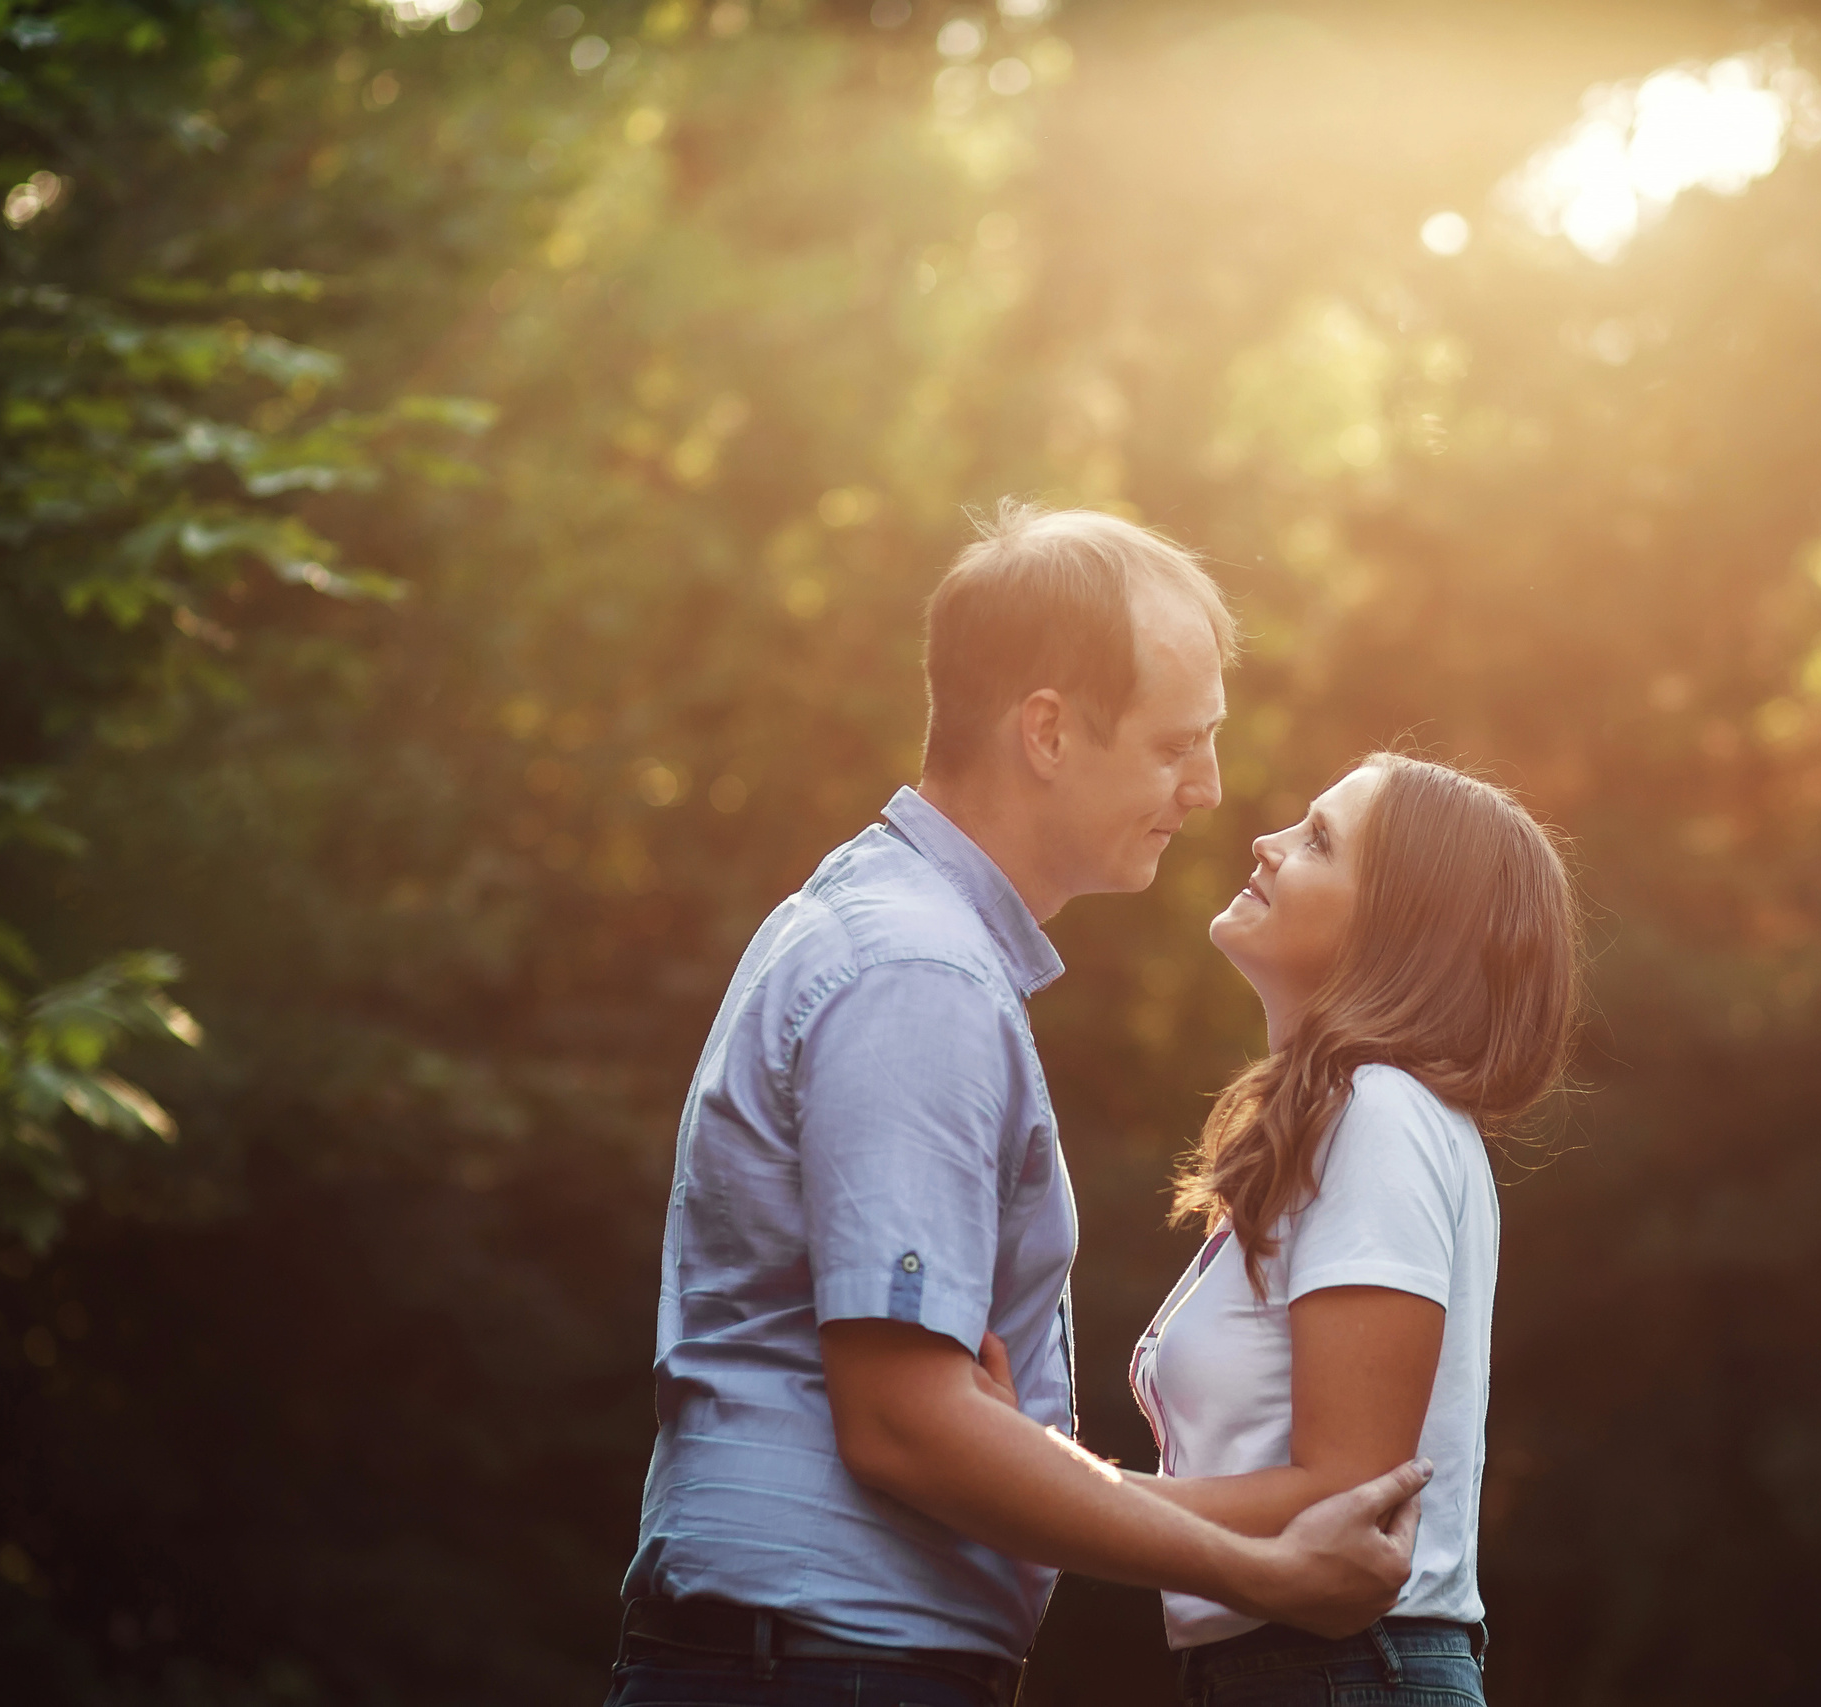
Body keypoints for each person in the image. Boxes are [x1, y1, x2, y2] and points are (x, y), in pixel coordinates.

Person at [609, 505, 1434, 1707]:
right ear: (1045, 731)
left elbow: (928, 1413)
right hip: (827, 1667)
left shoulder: (903, 940)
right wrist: (1261, 1571)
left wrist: (1012, 1443)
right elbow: (902, 1423)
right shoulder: (917, 973)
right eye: (1174, 745)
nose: (1207, 790)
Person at [1127, 754, 1584, 1706]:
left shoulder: (1382, 1112)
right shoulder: (1353, 1118)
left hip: (1341, 1670)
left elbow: (1342, 1492)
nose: (1267, 842)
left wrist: (1032, 1492)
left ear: (1399, 931)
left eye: (1318, 840)